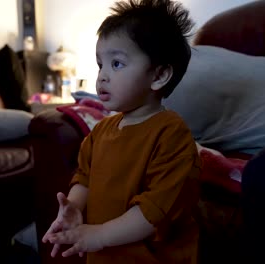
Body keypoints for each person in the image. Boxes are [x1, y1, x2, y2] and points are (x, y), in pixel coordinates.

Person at [42, 0, 200, 263]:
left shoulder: (172, 135)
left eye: (116, 64)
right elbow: (84, 178)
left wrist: (99, 234)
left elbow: (155, 211)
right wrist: (75, 207)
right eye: (99, 64)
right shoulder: (101, 131)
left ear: (159, 76)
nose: (102, 75)